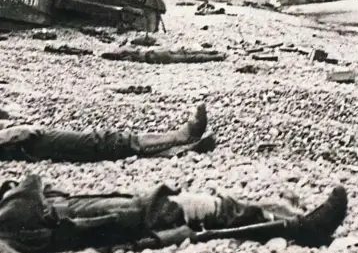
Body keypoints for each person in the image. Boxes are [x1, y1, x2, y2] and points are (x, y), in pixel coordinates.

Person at [0, 174, 348, 253]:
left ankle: (284, 214)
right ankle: (302, 228)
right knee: (209, 213)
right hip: (125, 226)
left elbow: (33, 184)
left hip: (122, 208)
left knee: (210, 207)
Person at [0, 103, 215, 162]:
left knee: (92, 144)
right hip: (13, 145)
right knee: (93, 142)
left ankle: (178, 148)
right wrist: (9, 134)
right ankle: (179, 138)